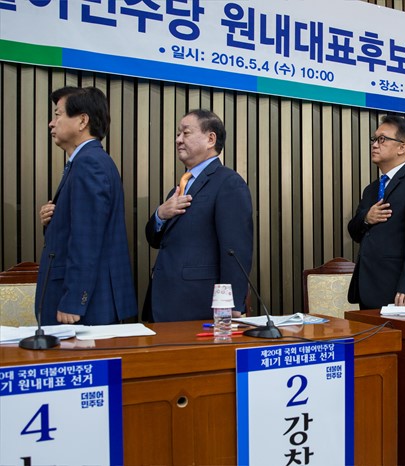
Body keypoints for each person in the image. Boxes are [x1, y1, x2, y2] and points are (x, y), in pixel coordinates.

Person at [36, 86, 137, 325]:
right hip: (89, 302)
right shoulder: (87, 161)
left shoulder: (88, 163)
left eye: (58, 114)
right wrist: (53, 221)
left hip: (87, 307)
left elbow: (87, 238)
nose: (52, 123)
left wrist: (74, 299)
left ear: (82, 121)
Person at [144, 109, 253, 321]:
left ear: (211, 139)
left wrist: (231, 303)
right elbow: (154, 240)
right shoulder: (178, 189)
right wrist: (160, 214)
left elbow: (236, 250)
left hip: (198, 304)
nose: (178, 140)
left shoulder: (228, 183)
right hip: (164, 302)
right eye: (178, 134)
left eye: (185, 133)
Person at [347, 115, 405, 309]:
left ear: (402, 147)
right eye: (374, 139)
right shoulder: (371, 190)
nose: (374, 145)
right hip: (368, 288)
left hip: (400, 292)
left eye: (382, 139)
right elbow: (354, 231)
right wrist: (366, 218)